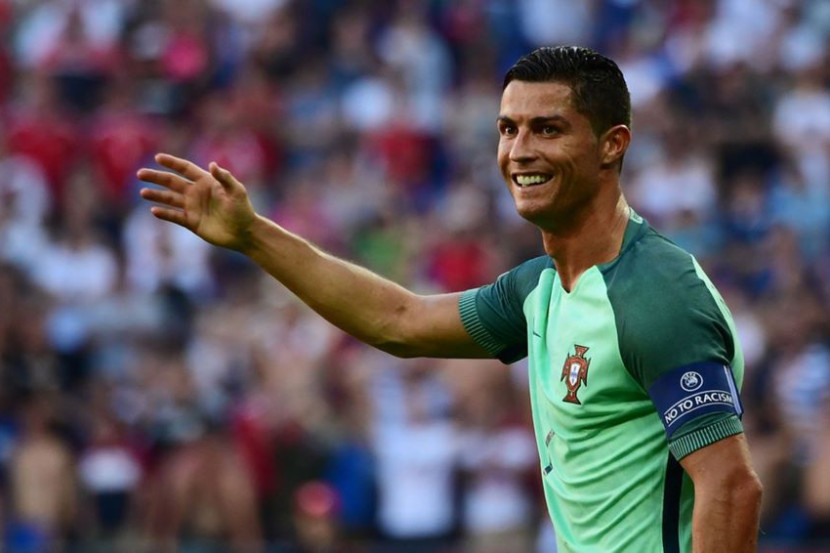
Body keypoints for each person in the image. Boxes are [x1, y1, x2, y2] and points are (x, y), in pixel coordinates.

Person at [138, 46, 763, 552]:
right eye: (508, 129)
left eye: (548, 129)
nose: (520, 151)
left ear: (612, 144)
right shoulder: (542, 289)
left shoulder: (654, 294)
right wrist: (252, 235)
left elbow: (732, 489)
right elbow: (399, 320)